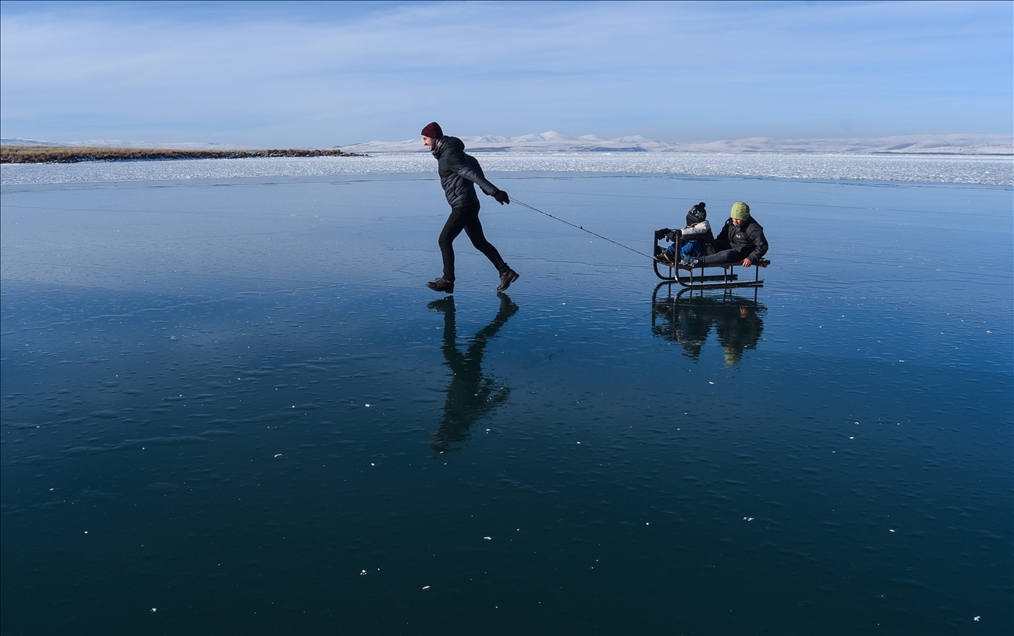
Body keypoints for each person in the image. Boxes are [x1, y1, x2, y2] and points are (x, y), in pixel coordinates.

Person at [421, 122, 519, 294]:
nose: (424, 143)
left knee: (444, 240)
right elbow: (473, 162)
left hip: (463, 205)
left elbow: (469, 171)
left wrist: (493, 191)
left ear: (435, 138)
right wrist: (485, 189)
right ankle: (505, 271)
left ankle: (448, 280)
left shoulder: (449, 154)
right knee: (479, 242)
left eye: (425, 139)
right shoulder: (449, 151)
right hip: (468, 203)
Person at [684, 201, 767, 268]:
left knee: (726, 255)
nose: (735, 221)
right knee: (711, 244)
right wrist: (713, 246)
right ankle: (685, 256)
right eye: (733, 218)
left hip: (742, 252)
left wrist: (750, 258)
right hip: (729, 245)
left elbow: (763, 246)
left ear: (744, 218)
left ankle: (697, 261)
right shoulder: (730, 222)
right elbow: (722, 235)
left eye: (738, 219)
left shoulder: (754, 228)